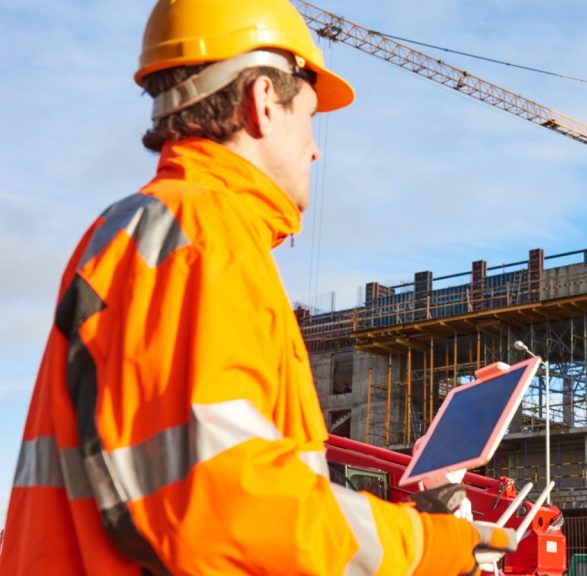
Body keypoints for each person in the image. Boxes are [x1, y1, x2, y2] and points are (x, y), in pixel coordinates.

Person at [0, 0, 514, 574]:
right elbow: (227, 507)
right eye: (311, 117)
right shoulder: (204, 237)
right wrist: (432, 545)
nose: (316, 148)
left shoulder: (141, 232)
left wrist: (431, 489)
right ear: (264, 102)